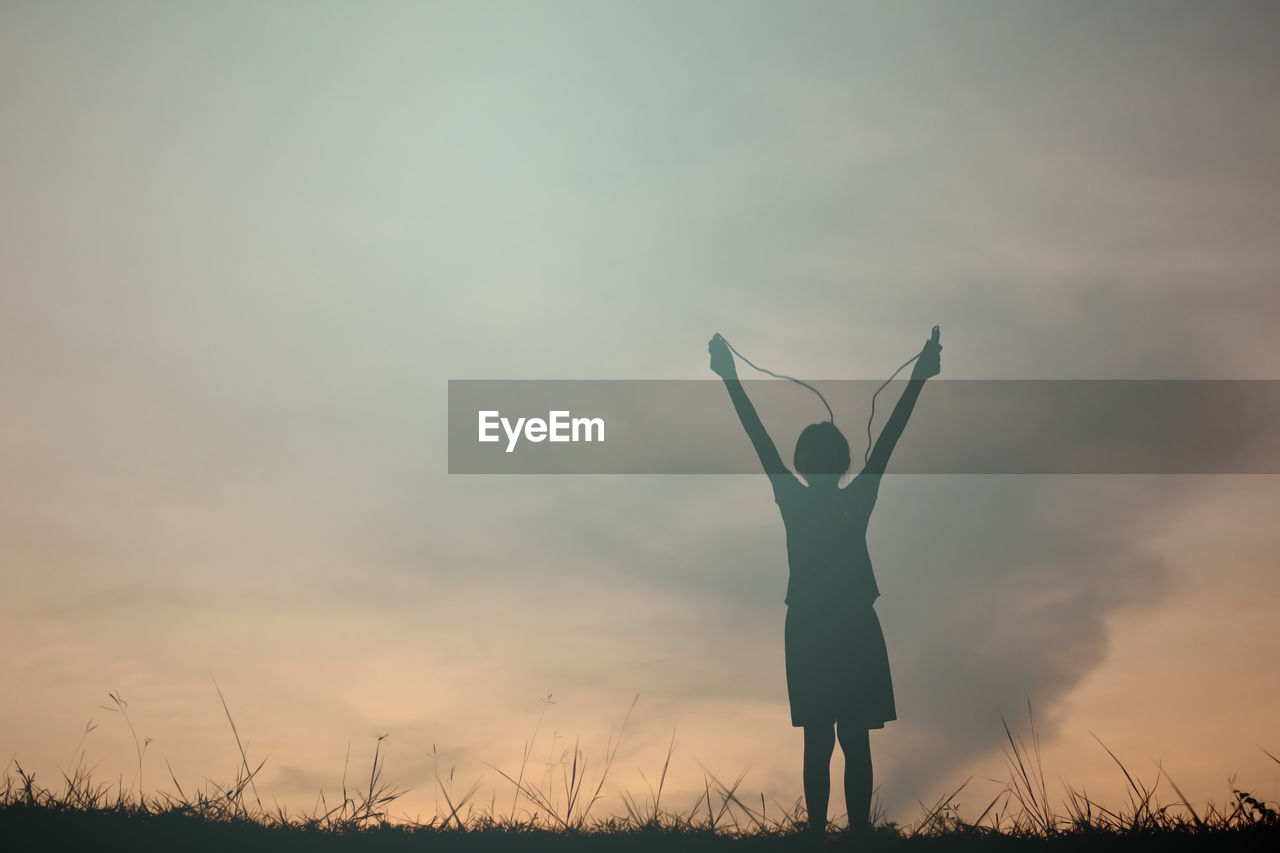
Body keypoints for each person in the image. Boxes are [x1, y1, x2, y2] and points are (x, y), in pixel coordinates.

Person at [708, 329, 941, 836]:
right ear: (840, 461)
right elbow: (889, 438)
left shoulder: (798, 500)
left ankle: (822, 833)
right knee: (849, 738)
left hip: (821, 627)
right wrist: (921, 376)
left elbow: (760, 438)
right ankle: (849, 834)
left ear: (806, 461)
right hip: (845, 626)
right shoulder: (852, 500)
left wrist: (729, 377)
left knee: (825, 739)